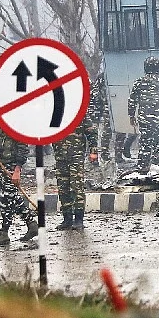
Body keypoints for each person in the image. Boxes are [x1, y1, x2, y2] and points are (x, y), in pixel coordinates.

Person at [0, 56, 38, 247]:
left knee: (7, 199)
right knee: (10, 196)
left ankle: (4, 232)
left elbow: (22, 146)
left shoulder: (18, 119)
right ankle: (31, 224)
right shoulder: (4, 118)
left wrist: (17, 169)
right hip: (0, 163)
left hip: (10, 165)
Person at [52, 79, 102, 231]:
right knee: (63, 187)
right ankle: (67, 218)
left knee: (76, 187)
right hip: (60, 157)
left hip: (76, 156)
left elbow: (91, 132)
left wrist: (93, 152)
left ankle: (79, 219)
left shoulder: (79, 112)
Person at [128, 56, 159, 172]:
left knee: (145, 143)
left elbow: (132, 100)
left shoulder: (139, 81)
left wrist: (131, 115)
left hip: (144, 118)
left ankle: (143, 166)